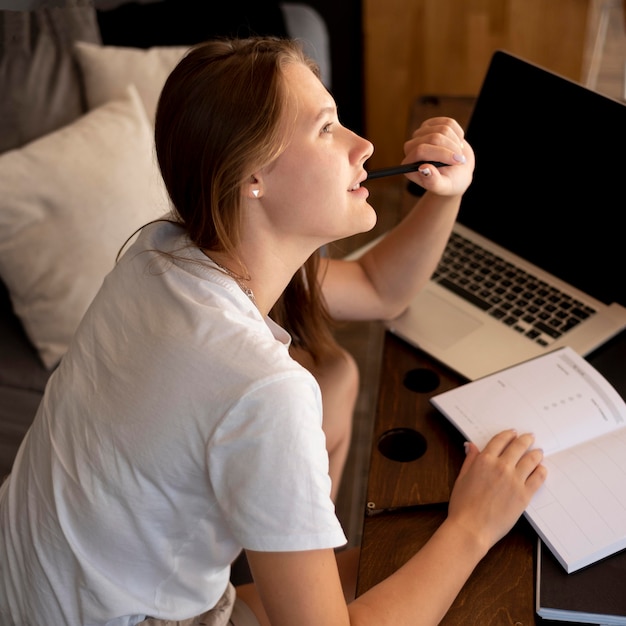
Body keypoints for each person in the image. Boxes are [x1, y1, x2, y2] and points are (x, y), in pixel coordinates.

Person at [0, 37, 547, 626]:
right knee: (426, 564)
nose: (363, 146)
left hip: (25, 583)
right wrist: (472, 526)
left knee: (337, 376)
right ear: (252, 176)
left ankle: (294, 557)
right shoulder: (262, 389)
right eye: (328, 129)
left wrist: (447, 196)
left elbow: (378, 287)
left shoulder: (159, 253)